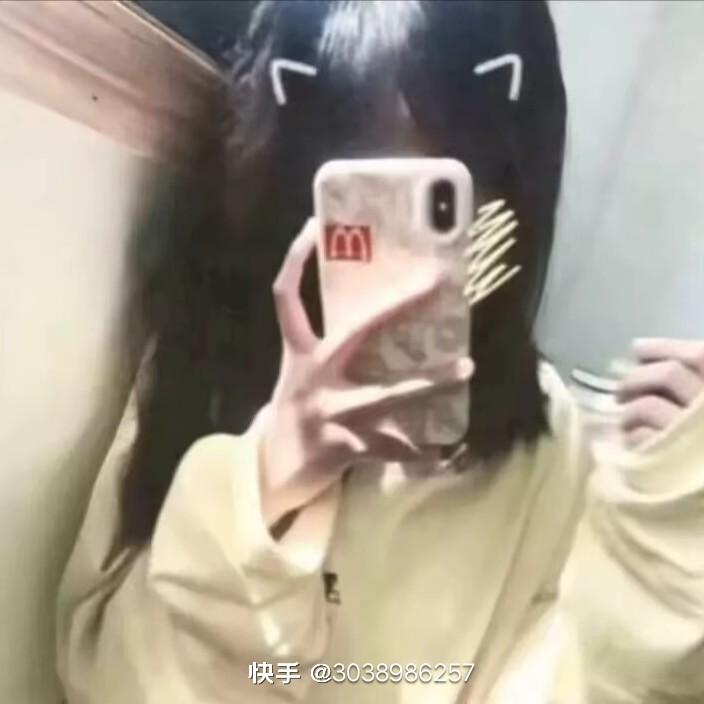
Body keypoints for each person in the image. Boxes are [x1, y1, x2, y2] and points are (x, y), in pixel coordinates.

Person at [56, 2, 704, 702]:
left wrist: (667, 540)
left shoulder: (545, 443)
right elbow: (112, 684)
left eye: (447, 194)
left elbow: (571, 684)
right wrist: (269, 485)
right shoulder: (208, 358)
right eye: (366, 185)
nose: (406, 256)